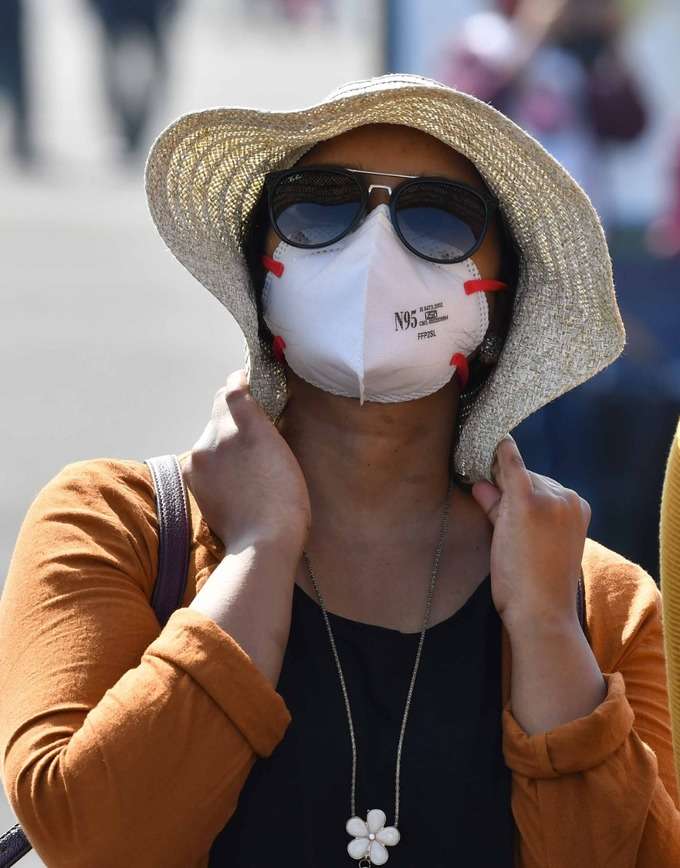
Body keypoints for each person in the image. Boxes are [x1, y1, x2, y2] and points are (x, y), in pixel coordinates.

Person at [0, 74, 678, 866]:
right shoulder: (115, 523)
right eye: (319, 206)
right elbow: (92, 841)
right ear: (261, 274)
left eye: (436, 218)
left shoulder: (601, 603)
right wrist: (258, 550)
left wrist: (548, 626)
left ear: (498, 312)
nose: (374, 248)